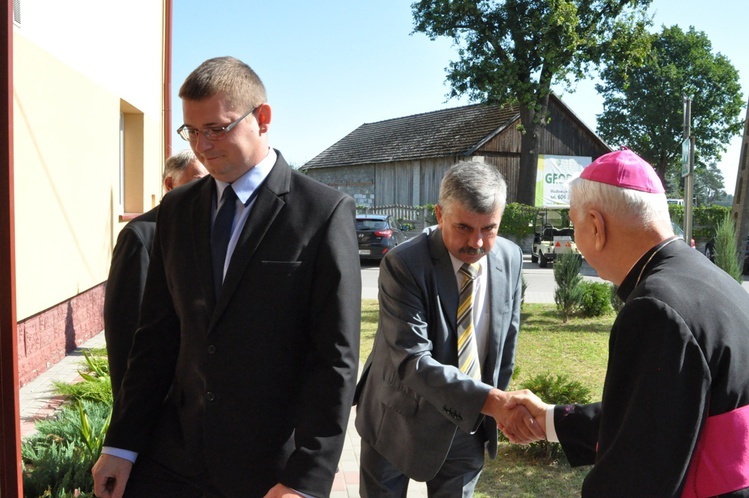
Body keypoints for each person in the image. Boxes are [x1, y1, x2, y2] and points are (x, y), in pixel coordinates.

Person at [92, 56, 362, 497]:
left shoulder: (322, 212)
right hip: (174, 457)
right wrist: (122, 445)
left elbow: (335, 359)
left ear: (263, 119)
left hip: (269, 469)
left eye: (217, 128)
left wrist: (307, 478)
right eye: (192, 131)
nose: (203, 144)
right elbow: (155, 338)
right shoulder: (177, 212)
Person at [507, 149, 749, 496]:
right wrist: (551, 420)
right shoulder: (715, 280)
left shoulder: (655, 308)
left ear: (595, 225)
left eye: (574, 225)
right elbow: (659, 415)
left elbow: (636, 472)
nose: (576, 239)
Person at [354, 160, 544, 497]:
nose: (479, 242)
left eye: (489, 228)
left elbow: (506, 342)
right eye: (464, 228)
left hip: (468, 425)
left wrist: (497, 409)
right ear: (440, 214)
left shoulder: (511, 257)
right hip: (398, 419)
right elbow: (412, 360)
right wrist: (492, 401)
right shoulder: (404, 264)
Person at [104, 149, 208, 400]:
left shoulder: (205, 230)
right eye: (197, 182)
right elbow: (127, 331)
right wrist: (130, 407)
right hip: (161, 395)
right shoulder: (140, 236)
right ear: (170, 184)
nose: (206, 190)